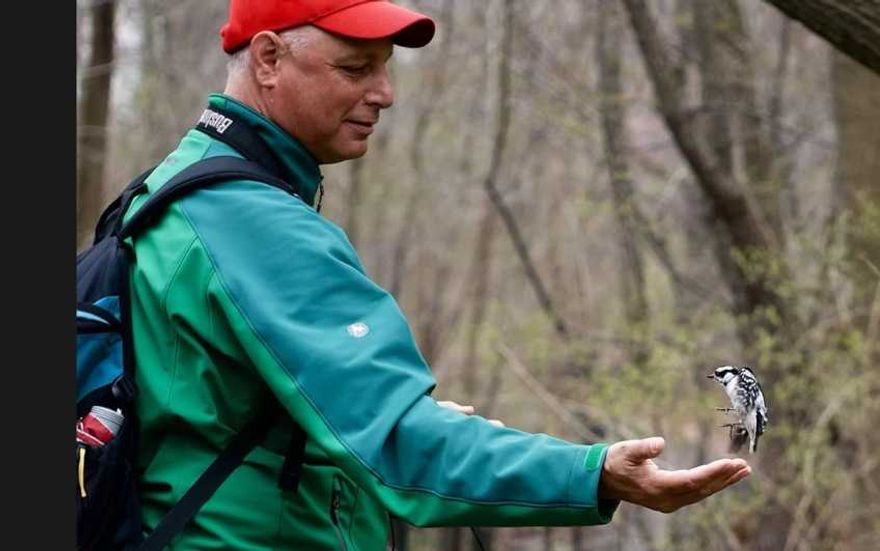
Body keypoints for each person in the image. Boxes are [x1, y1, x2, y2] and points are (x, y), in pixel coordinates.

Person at [125, 1, 751, 549]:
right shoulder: (256, 224)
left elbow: (201, 409)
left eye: (385, 66)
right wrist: (594, 473)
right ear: (267, 59)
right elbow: (400, 441)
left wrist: (348, 416)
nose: (385, 92)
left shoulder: (168, 189)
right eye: (355, 68)